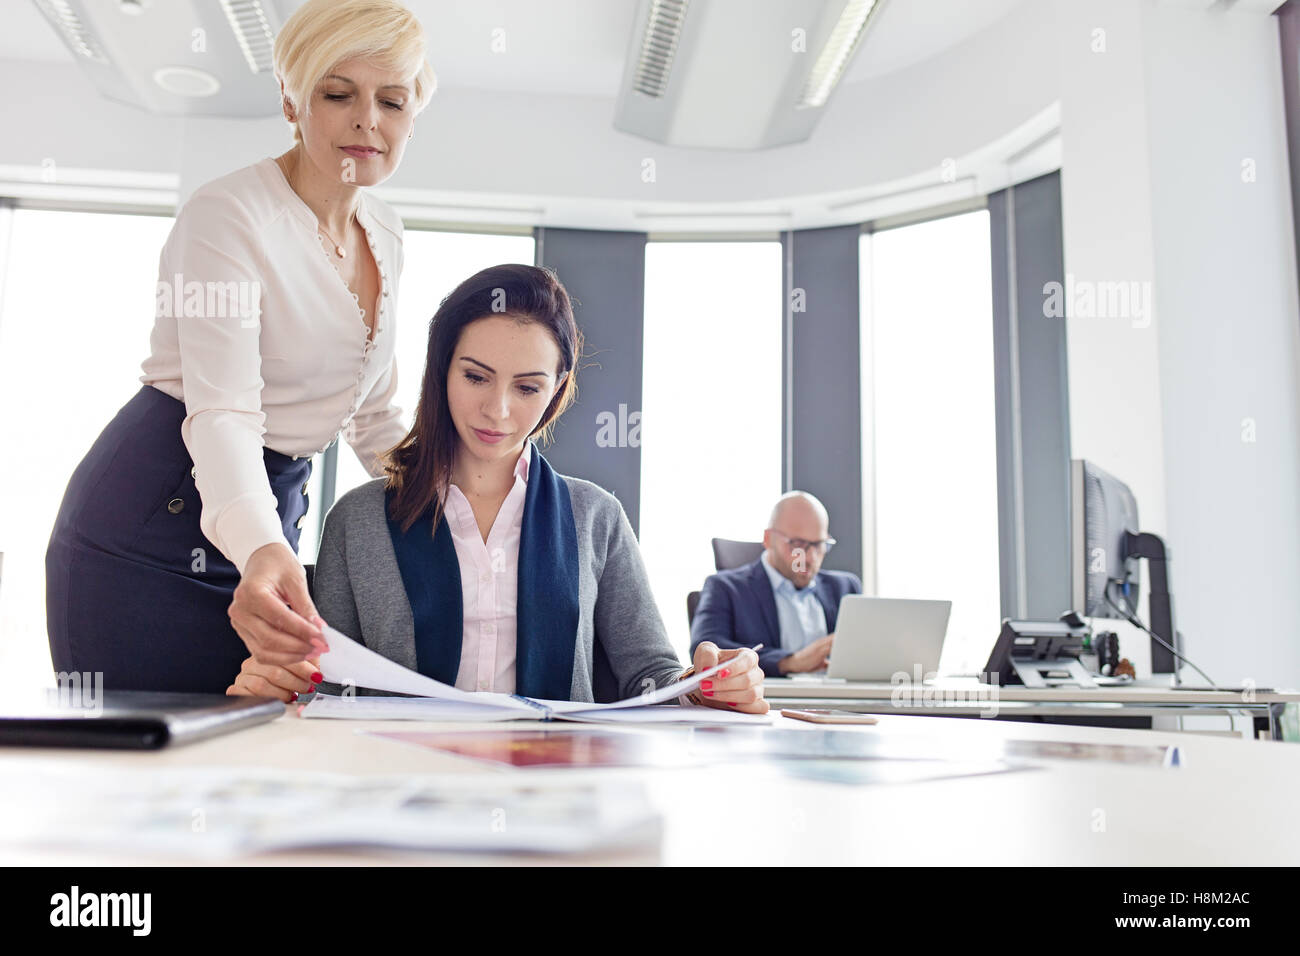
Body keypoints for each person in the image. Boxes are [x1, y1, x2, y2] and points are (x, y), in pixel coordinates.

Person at [45, 0, 436, 692]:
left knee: (257, 763)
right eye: (337, 93)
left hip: (267, 513)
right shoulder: (229, 216)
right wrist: (262, 547)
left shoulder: (386, 231)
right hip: (152, 529)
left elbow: (372, 415)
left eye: (392, 101)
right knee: (158, 771)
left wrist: (452, 498)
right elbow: (224, 413)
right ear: (291, 100)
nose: (366, 121)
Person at [226, 264, 767, 713]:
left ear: (555, 392)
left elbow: (650, 677)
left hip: (555, 782)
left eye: (528, 387)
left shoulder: (596, 516)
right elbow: (327, 682)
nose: (498, 411)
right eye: (476, 377)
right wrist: (279, 685)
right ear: (441, 373)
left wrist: (706, 689)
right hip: (397, 777)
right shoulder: (358, 519)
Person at [690, 492, 862, 677]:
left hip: (838, 700)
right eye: (797, 544)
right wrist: (790, 662)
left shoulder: (845, 588)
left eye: (819, 544)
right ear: (768, 539)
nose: (809, 557)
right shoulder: (724, 588)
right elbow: (707, 654)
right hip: (768, 701)